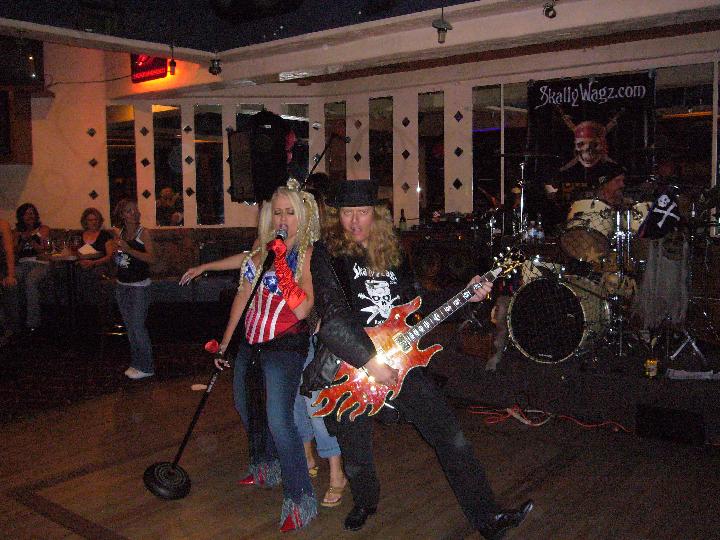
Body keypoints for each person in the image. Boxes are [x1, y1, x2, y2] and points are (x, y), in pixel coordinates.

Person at [309, 179, 533, 538]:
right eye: (347, 213)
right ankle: (365, 501)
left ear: (376, 215)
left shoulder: (392, 253)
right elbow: (333, 316)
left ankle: (488, 517)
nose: (354, 221)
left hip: (399, 360)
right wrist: (370, 362)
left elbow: (417, 306)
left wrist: (465, 295)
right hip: (351, 366)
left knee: (450, 435)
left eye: (362, 212)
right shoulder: (328, 255)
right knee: (355, 448)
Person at [190, 181, 320, 532]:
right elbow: (243, 296)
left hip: (284, 345)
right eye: (277, 212)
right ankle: (265, 467)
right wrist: (225, 343)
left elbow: (303, 309)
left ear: (302, 217)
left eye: (290, 213)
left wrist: (281, 264)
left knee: (279, 419)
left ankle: (301, 498)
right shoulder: (260, 251)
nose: (283, 219)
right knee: (246, 405)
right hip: (251, 342)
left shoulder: (307, 254)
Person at [110, 199, 157, 380]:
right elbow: (119, 259)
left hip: (139, 286)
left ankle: (147, 366)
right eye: (129, 211)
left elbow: (152, 258)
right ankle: (137, 364)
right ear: (122, 215)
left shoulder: (143, 233)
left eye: (135, 210)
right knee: (130, 328)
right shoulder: (120, 233)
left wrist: (129, 249)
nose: (135, 213)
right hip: (122, 285)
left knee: (138, 327)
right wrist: (117, 252)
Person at [13, 203, 51, 334]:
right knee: (12, 279)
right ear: (21, 216)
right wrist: (22, 240)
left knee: (31, 280)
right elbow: (15, 251)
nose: (30, 216)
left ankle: (33, 323)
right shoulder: (17, 232)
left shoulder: (43, 229)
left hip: (40, 262)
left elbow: (43, 249)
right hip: (22, 263)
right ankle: (13, 321)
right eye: (27, 214)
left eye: (32, 213)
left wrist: (30, 239)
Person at [0, 218, 18, 343]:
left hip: (2, 267)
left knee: (9, 286)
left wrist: (10, 275)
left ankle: (8, 329)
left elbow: (9, 252)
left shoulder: (2, 224)